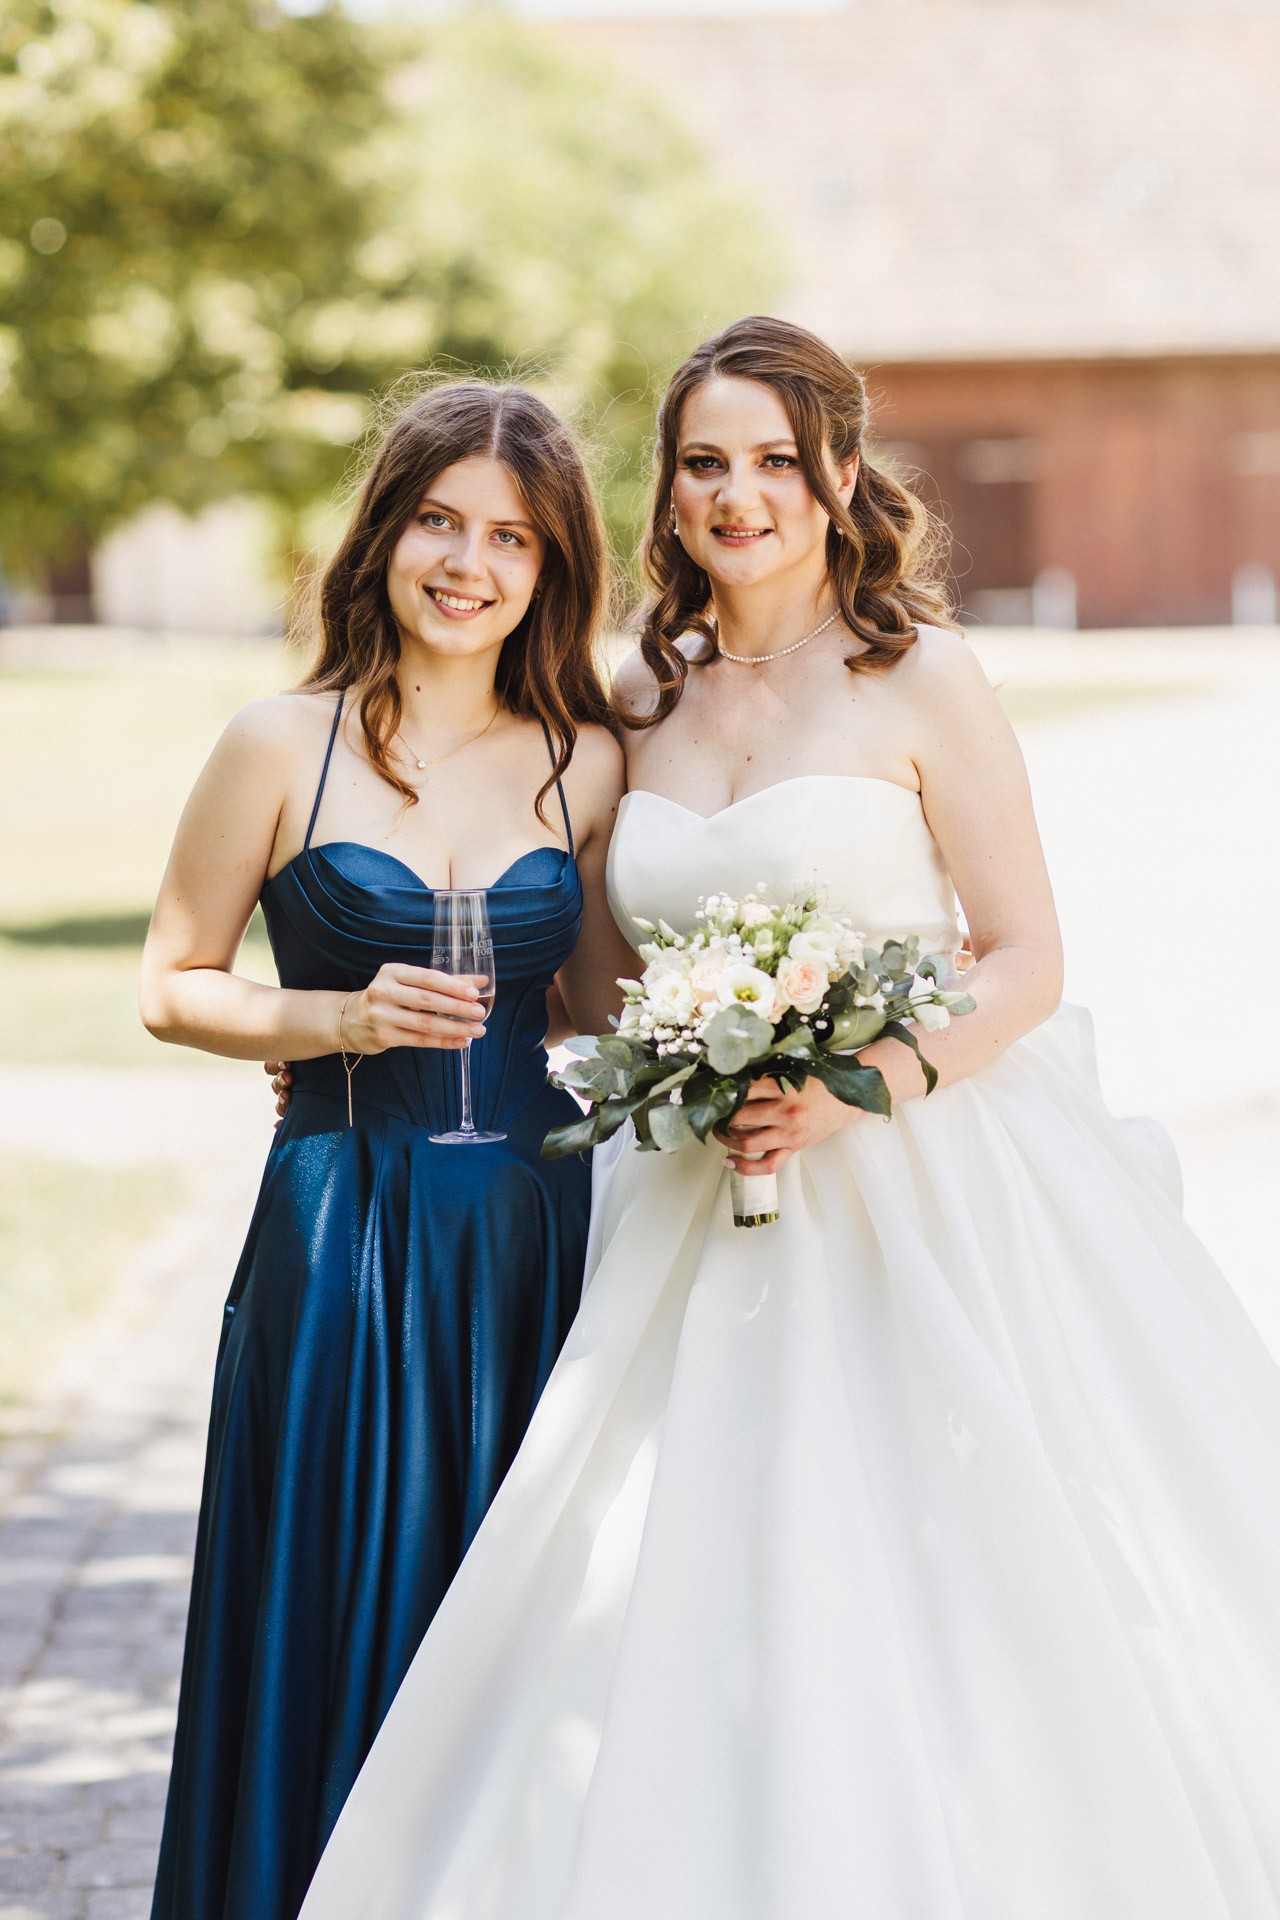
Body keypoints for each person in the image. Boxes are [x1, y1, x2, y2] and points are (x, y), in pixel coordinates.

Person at [298, 317, 1280, 1920]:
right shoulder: (634, 698)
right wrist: (350, 1045)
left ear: (836, 479)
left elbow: (1025, 960)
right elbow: (586, 986)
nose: (738, 493)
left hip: (920, 1169)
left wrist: (854, 1087)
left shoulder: (923, 676)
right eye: (704, 463)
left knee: (944, 1545)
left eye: (773, 459)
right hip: (689, 1191)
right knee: (655, 1558)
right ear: (669, 495)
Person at [138, 379, 632, 1920]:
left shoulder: (587, 762)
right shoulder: (280, 743)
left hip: (533, 1238)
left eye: (512, 537)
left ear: (552, 569)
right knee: (337, 1583)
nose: (468, 562)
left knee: (510, 1604)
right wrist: (335, 1022)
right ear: (386, 532)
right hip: (341, 1231)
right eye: (438, 520)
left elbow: (616, 1005)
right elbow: (171, 983)